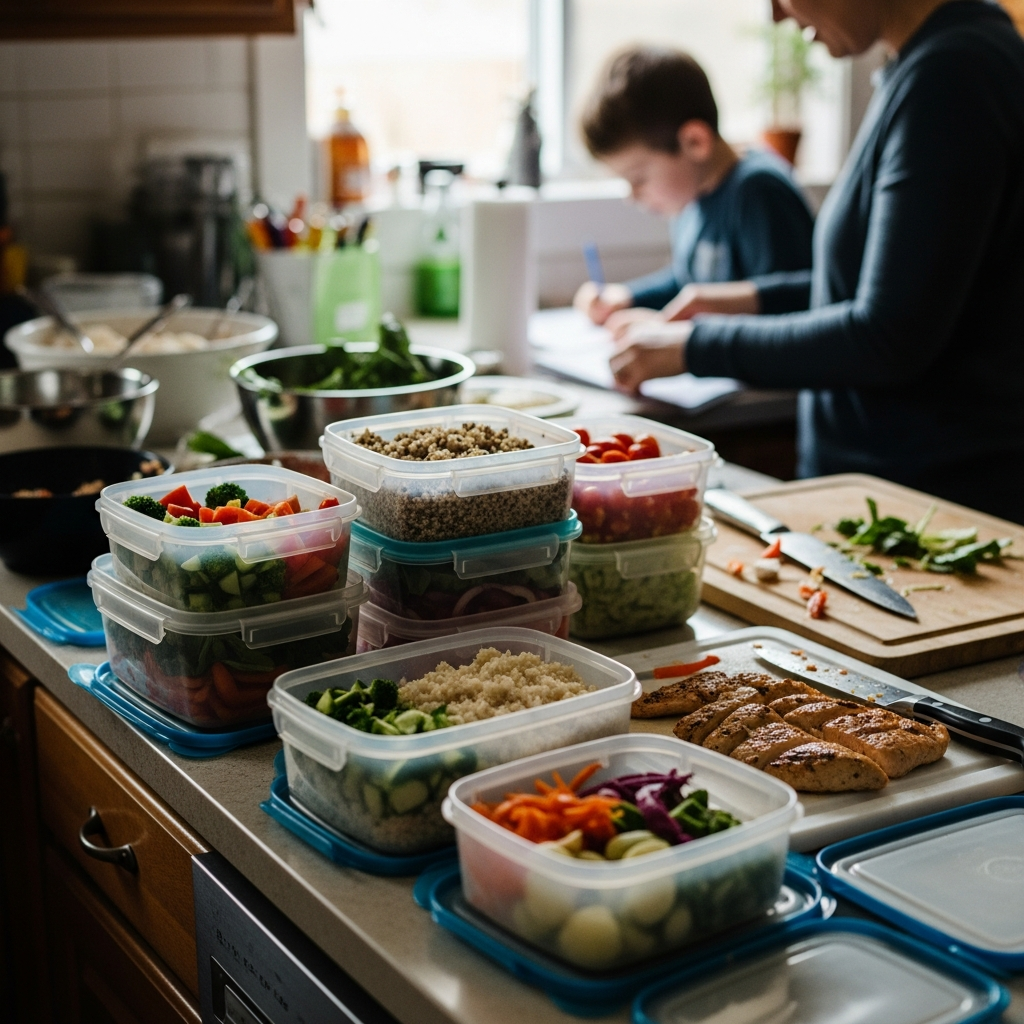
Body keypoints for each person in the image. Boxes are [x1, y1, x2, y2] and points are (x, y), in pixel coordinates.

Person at [609, 0, 1024, 524]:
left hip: (929, 506)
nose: (779, 15)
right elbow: (890, 286)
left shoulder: (955, 77)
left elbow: (888, 337)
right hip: (892, 493)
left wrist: (695, 346)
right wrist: (748, 300)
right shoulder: (930, 65)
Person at [572, 46, 814, 331]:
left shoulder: (758, 193)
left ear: (694, 143)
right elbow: (690, 283)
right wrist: (627, 298)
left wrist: (671, 330)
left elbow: (792, 307)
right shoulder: (693, 196)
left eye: (638, 178)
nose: (631, 196)